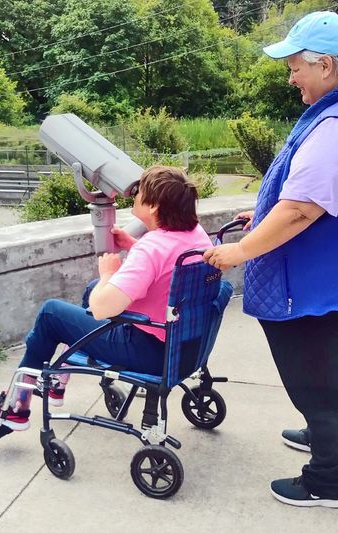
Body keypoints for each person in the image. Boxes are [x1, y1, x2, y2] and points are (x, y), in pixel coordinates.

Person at [203, 11, 338, 508]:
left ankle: (328, 479)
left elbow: (302, 209)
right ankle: (327, 438)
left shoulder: (332, 127)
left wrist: (239, 250)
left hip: (306, 287)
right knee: (327, 374)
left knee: (315, 380)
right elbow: (311, 197)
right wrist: (261, 209)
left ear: (325, 65)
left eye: (295, 66)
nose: (290, 76)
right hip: (322, 279)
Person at [0, 165, 213, 432]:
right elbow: (166, 265)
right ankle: (59, 378)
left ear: (153, 207)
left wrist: (108, 274)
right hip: (184, 348)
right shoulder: (196, 236)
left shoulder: (152, 249)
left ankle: (15, 407)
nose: (135, 194)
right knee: (92, 288)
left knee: (51, 313)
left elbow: (101, 309)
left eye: (140, 191)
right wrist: (133, 244)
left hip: (149, 351)